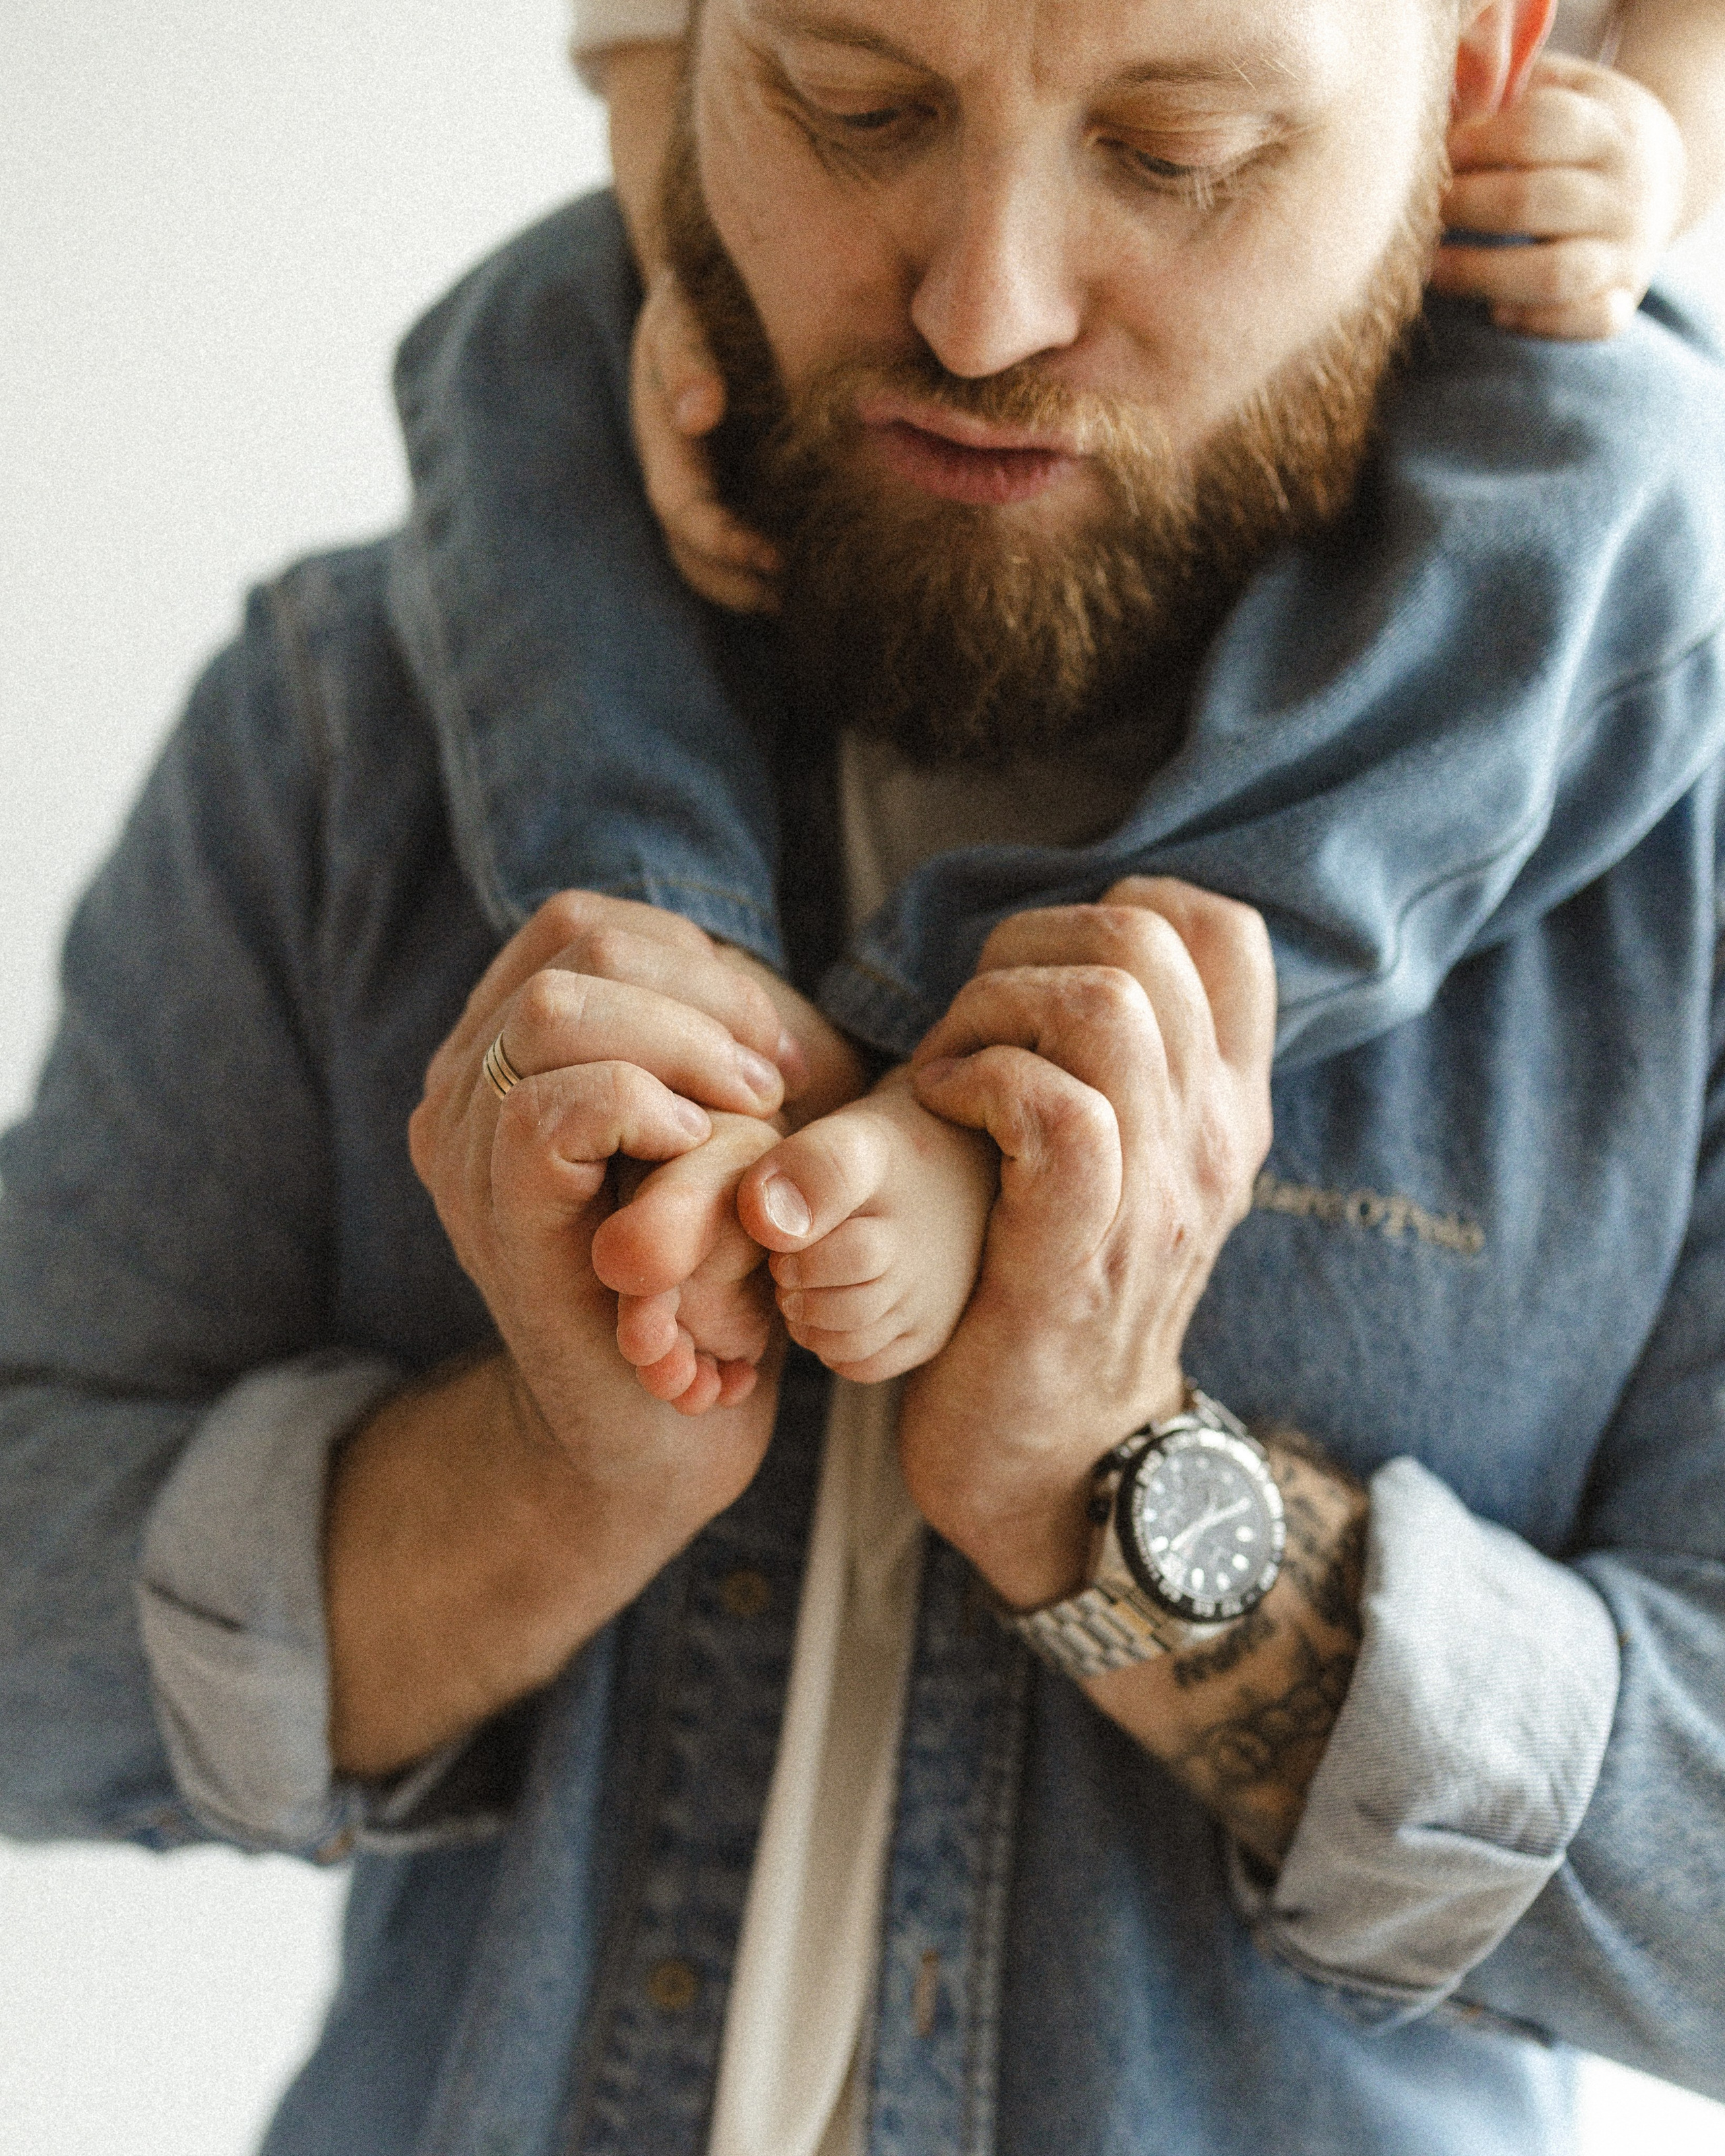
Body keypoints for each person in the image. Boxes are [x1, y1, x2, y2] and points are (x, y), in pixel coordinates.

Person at [3, 7, 1725, 2156]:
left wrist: (1113, 1489)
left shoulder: (1688, 856)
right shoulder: (352, 723)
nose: (981, 304)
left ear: (1486, 63)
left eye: (1181, 149)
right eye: (855, 108)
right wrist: (546, 1490)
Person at [590, 0, 1725, 611]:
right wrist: (676, 274)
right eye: (858, 109)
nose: (981, 327)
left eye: (1175, 155)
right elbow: (647, 52)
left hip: (1476, 251)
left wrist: (1658, 152)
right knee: (536, 326)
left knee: (1624, 432)